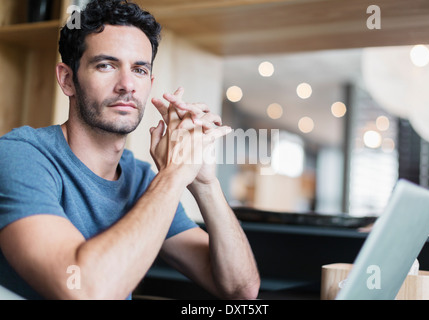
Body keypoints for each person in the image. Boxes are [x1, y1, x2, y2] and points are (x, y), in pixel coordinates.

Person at [0, 0, 260, 300]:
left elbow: (242, 290)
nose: (127, 85)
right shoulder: (21, 156)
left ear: (149, 83)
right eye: (106, 65)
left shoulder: (139, 179)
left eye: (138, 69)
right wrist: (174, 173)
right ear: (67, 79)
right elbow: (84, 290)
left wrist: (203, 182)